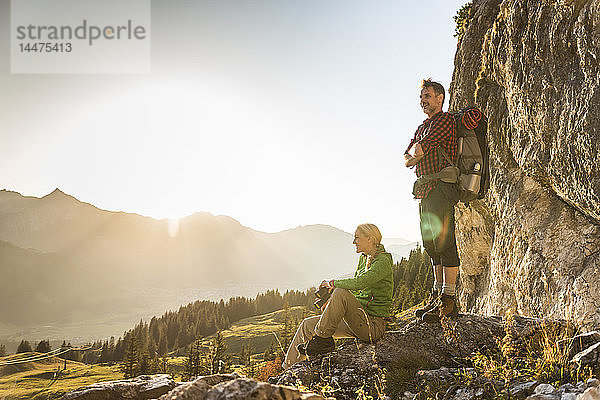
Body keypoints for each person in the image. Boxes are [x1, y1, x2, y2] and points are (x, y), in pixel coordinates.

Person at [281, 223, 393, 370]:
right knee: (307, 325)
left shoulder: (383, 261)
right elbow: (358, 292)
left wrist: (333, 284)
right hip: (357, 321)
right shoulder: (364, 258)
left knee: (340, 291)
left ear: (370, 239)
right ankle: (288, 370)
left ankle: (322, 340)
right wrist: (333, 306)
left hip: (371, 326)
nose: (354, 242)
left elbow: (361, 282)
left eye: (357, 238)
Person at [404, 78, 461, 322]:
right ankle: (438, 296)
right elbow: (406, 158)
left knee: (445, 241)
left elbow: (417, 152)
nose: (423, 101)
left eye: (427, 96)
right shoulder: (421, 127)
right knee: (430, 244)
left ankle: (449, 299)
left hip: (441, 188)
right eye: (421, 97)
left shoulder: (445, 121)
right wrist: (415, 152)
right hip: (425, 191)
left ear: (440, 98)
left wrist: (416, 152)